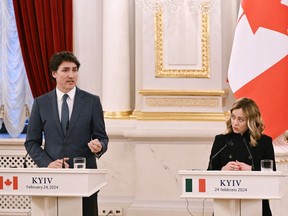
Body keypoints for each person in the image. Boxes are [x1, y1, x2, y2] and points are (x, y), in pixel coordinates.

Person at [24, 51, 109, 216]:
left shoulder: (92, 102)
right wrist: (47, 163)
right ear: (54, 73)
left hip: (85, 180)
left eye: (75, 70)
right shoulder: (41, 103)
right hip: (52, 180)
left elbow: (102, 137)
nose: (71, 75)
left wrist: (99, 146)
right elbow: (31, 142)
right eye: (65, 70)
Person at [207, 97, 276, 216]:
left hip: (256, 205)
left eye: (241, 119)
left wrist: (251, 169)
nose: (235, 122)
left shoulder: (264, 142)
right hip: (225, 206)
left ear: (251, 120)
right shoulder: (221, 141)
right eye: (233, 117)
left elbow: (272, 176)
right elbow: (209, 172)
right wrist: (223, 170)